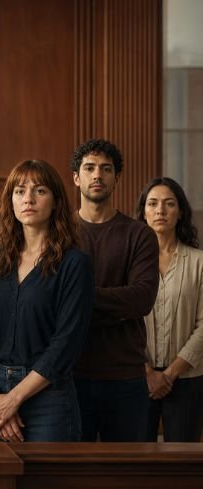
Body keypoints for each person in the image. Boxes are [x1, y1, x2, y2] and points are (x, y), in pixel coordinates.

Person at [0, 160, 94, 442]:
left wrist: (14, 399)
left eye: (39, 191)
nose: (28, 198)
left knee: (48, 486)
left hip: (49, 398)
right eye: (19, 191)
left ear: (56, 202)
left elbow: (66, 344)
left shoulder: (74, 264)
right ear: (10, 202)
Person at [71, 138, 159, 442]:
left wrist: (80, 301)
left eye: (106, 169)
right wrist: (115, 306)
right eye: (90, 168)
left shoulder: (140, 234)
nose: (97, 175)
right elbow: (50, 302)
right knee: (69, 480)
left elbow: (141, 299)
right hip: (69, 374)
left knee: (126, 478)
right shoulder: (60, 232)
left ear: (116, 178)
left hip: (125, 376)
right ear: (76, 178)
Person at [136, 177, 203, 442]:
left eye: (169, 204)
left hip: (188, 378)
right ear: (143, 212)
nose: (160, 210)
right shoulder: (131, 263)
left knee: (182, 464)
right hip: (138, 378)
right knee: (137, 461)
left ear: (181, 211)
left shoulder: (199, 262)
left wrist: (170, 374)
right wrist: (148, 373)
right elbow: (122, 322)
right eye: (152, 204)